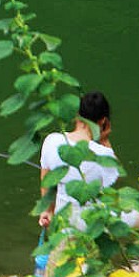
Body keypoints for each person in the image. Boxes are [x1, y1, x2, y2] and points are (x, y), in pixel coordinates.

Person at [38, 91, 119, 231]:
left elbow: (47, 182)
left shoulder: (52, 140)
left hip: (63, 223)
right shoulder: (104, 154)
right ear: (104, 121)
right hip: (93, 226)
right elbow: (115, 181)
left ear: (77, 115)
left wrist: (47, 211)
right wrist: (104, 141)